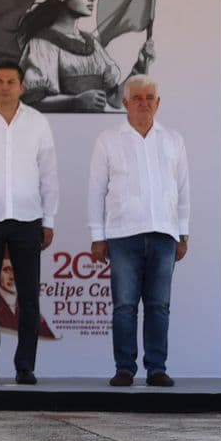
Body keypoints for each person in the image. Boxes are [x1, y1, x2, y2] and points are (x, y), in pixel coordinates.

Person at [87, 75, 189, 388]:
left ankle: (156, 368)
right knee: (125, 306)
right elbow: (96, 190)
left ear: (158, 103)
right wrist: (97, 235)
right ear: (125, 103)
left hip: (164, 234)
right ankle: (125, 369)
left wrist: (183, 232)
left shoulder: (173, 140)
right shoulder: (108, 139)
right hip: (122, 234)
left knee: (159, 306)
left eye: (149, 97)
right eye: (137, 98)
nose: (143, 103)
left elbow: (183, 189)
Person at [0, 60, 59, 385]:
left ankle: (25, 367)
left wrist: (48, 219)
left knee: (29, 297)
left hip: (27, 219)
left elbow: (48, 175)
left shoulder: (37, 123)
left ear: (22, 86)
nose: (4, 86)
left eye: (11, 81)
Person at [17, 0, 152, 111]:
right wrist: (74, 102)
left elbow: (115, 100)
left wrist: (140, 66)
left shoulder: (91, 43)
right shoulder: (41, 44)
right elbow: (31, 102)